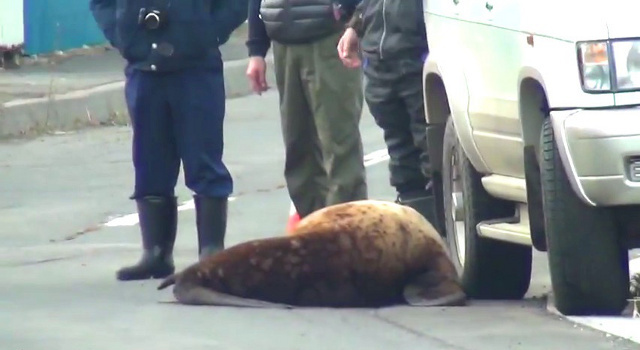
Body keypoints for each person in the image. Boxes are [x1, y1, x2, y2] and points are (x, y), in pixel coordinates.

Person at [89, 0, 248, 281]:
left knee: (203, 157)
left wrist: (207, 34)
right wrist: (122, 34)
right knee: (149, 161)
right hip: (142, 68)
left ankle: (211, 251)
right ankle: (156, 253)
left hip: (196, 68)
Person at [245, 0, 368, 221]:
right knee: (298, 149)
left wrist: (354, 23)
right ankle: (315, 231)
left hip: (329, 39)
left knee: (339, 147)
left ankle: (347, 235)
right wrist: (256, 50)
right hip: (283, 42)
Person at [337, 0, 439, 226]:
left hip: (418, 54)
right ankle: (416, 228)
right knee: (401, 155)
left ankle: (438, 232)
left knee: (432, 151)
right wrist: (355, 26)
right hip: (379, 57)